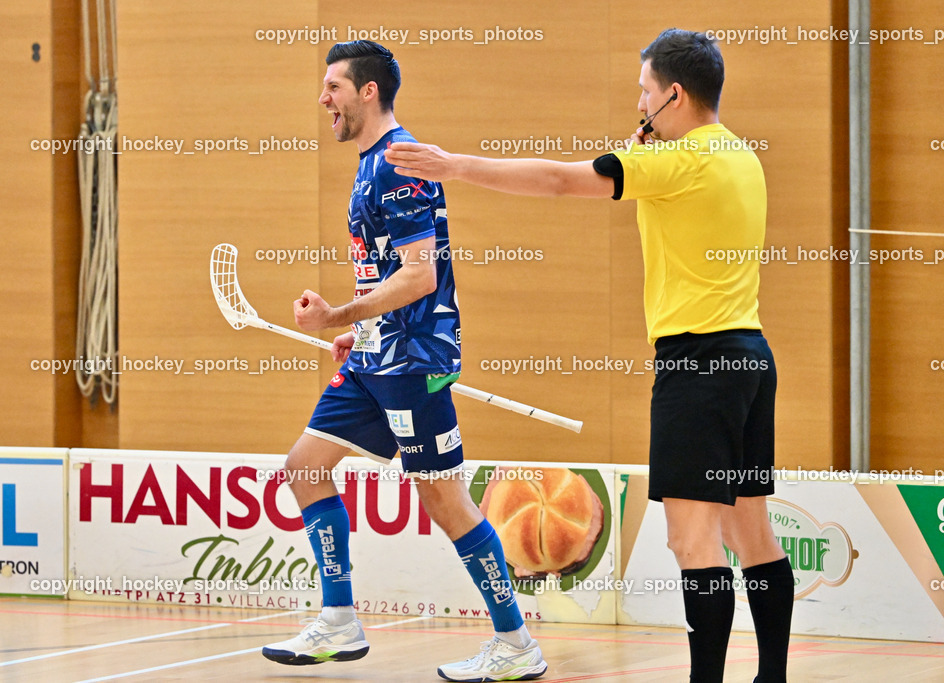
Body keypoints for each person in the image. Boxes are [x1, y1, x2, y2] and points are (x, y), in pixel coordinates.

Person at [383, 28, 794, 683]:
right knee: (754, 536)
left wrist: (455, 166)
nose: (639, 103)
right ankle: (770, 674)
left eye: (644, 92)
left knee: (694, 542)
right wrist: (644, 155)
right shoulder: (742, 157)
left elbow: (555, 180)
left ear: (674, 95)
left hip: (697, 365)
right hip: (750, 357)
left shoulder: (673, 163)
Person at [261, 40, 547, 682]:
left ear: (367, 91)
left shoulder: (397, 163)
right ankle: (339, 621)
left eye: (333, 85)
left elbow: (420, 277)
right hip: (375, 356)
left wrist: (337, 315)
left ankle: (515, 641)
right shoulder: (371, 165)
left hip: (415, 359)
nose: (322, 98)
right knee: (306, 467)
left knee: (443, 500)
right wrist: (356, 330)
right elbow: (388, 272)